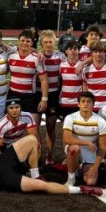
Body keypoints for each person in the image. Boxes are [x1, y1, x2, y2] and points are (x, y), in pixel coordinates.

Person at [62, 92, 106, 186]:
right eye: (83, 101)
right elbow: (67, 139)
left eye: (89, 101)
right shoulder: (70, 117)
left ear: (93, 104)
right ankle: (71, 178)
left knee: (91, 182)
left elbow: (103, 146)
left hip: (90, 151)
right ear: (78, 104)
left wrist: (95, 166)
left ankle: (80, 167)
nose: (86, 104)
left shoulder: (100, 121)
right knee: (74, 149)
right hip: (75, 147)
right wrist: (87, 143)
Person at [7, 29, 49, 125]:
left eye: (28, 41)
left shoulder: (37, 58)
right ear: (18, 41)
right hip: (13, 94)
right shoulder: (11, 56)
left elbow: (44, 80)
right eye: (22, 40)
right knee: (12, 127)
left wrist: (44, 99)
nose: (24, 43)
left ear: (32, 42)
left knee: (34, 128)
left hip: (30, 96)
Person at [40, 30, 65, 165]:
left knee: (50, 125)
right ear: (41, 44)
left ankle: (49, 156)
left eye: (51, 42)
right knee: (34, 126)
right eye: (46, 42)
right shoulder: (36, 56)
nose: (49, 45)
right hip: (37, 94)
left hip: (53, 94)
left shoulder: (61, 56)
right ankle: (37, 154)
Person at [81, 41, 106, 112]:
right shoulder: (85, 69)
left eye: (101, 51)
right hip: (92, 108)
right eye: (95, 52)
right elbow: (85, 86)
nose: (98, 54)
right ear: (92, 53)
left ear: (105, 53)